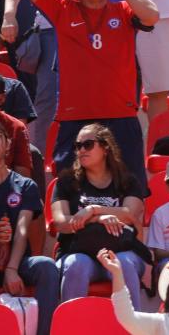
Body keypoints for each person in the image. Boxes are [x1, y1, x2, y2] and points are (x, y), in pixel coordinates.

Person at [18, 0, 159, 191]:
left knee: (132, 194)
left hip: (121, 118)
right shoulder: (62, 9)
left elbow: (152, 15)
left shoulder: (123, 5)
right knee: (70, 197)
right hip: (75, 119)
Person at [1, 0, 90, 158]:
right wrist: (9, 14)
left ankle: (84, 155)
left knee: (85, 96)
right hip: (50, 32)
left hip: (86, 31)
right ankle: (38, 159)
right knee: (47, 98)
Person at [0, 120, 59, 335]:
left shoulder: (24, 185)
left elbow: (22, 231)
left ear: (7, 144)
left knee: (46, 265)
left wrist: (12, 269)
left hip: (17, 259)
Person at [51, 124, 145, 307]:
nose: (81, 150)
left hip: (121, 250)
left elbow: (129, 216)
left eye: (88, 145)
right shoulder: (66, 182)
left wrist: (94, 209)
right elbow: (61, 223)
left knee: (124, 264)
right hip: (78, 250)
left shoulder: (128, 181)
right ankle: (70, 327)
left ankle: (133, 328)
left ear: (105, 147)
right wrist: (97, 219)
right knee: (76, 264)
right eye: (78, 146)